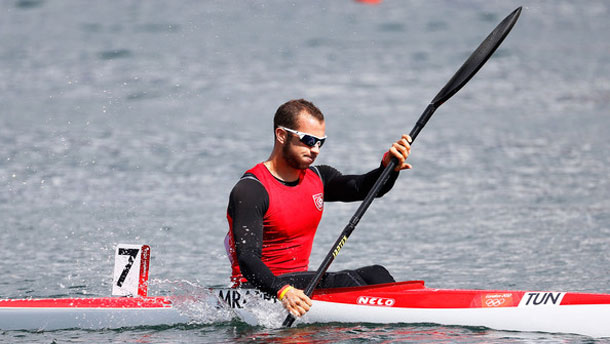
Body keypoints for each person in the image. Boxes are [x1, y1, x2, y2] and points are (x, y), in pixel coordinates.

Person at [225, 99, 412, 317]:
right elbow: (247, 259)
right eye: (308, 140)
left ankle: (413, 313)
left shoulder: (319, 178)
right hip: (258, 291)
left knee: (376, 274)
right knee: (346, 281)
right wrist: (283, 291)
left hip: (300, 284)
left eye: (320, 142)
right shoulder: (251, 190)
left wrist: (389, 167)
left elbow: (365, 188)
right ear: (281, 135)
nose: (315, 150)